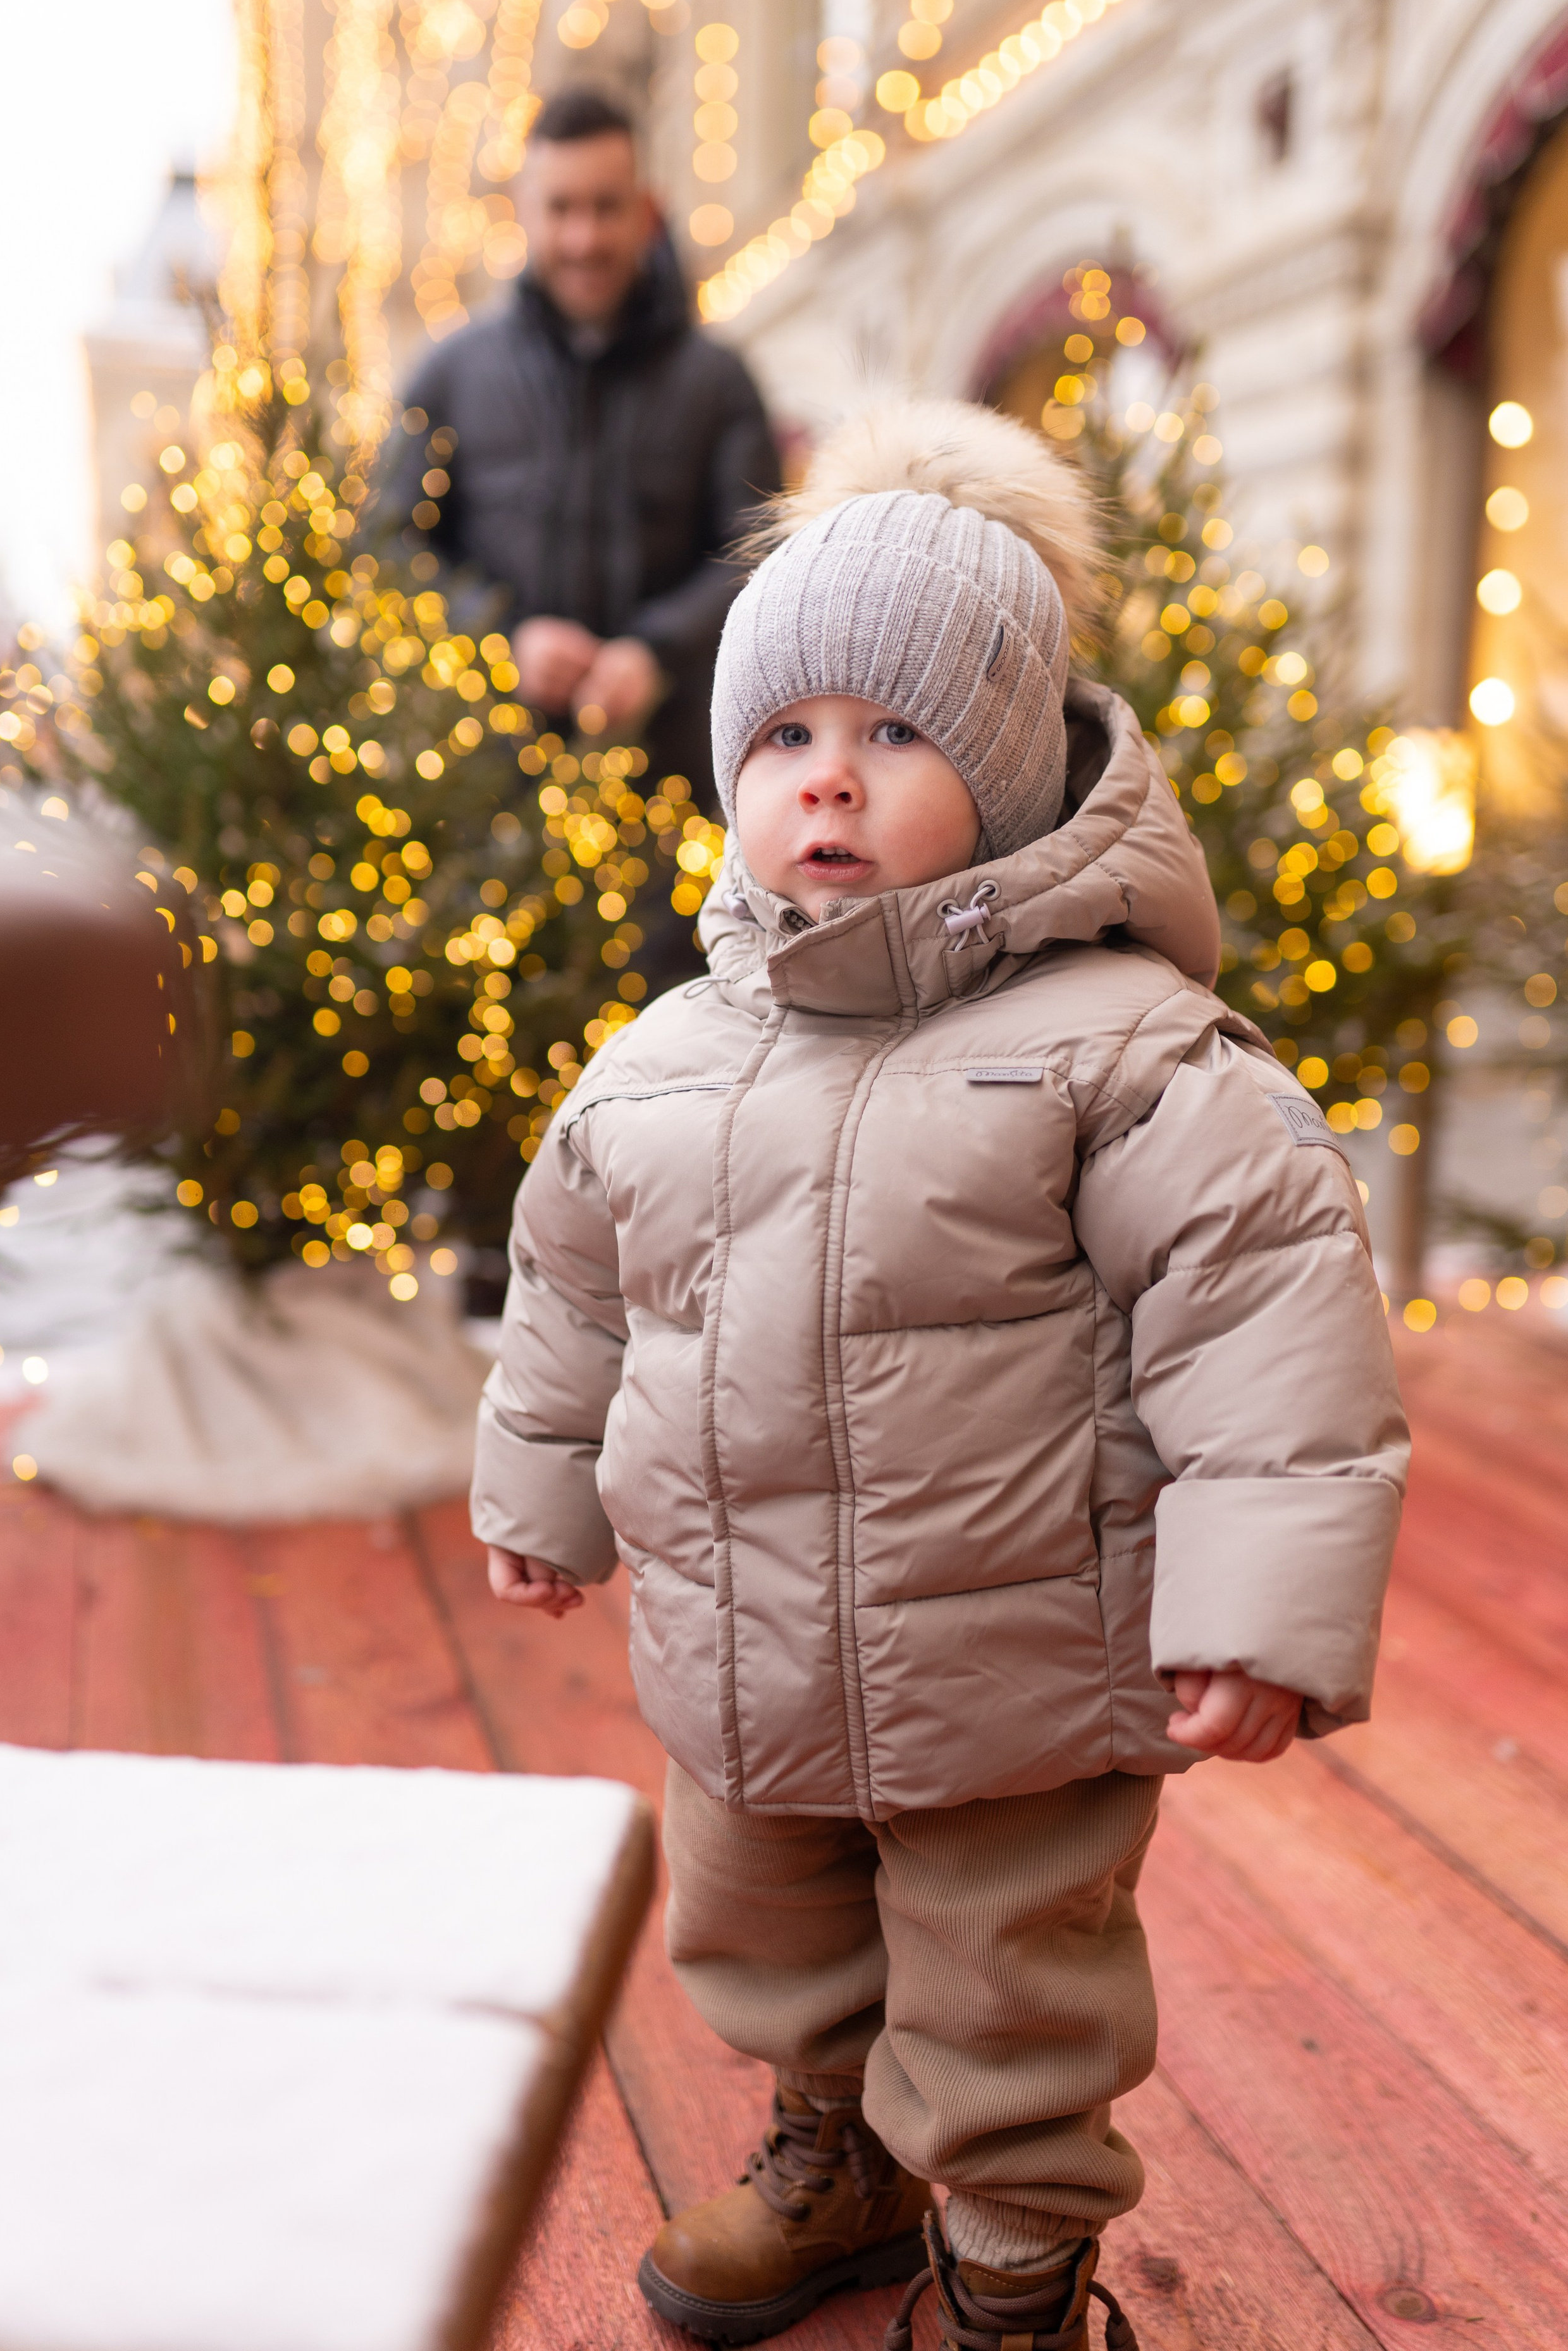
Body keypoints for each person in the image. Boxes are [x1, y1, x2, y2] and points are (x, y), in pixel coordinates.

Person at [468, 397, 1407, 2350]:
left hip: (1015, 1657)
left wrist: (1255, 1609)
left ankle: (1011, 2257)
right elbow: (570, 1280)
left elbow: (1259, 1311)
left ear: (997, 759)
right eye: (786, 734)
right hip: (741, 1643)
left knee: (1005, 1981)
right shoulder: (663, 1051)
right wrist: (535, 1487)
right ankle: (836, 2149)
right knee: (763, 1918)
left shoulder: (1119, 1042)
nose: (829, 777)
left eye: (892, 732)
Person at [386, 87, 780, 803]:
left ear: (645, 211)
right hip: (481, 796)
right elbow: (387, 548)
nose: (584, 238)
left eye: (606, 207)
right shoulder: (449, 376)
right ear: (523, 214)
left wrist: (655, 653)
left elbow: (759, 556)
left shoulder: (718, 383)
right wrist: (498, 641)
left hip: (672, 791)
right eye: (562, 209)